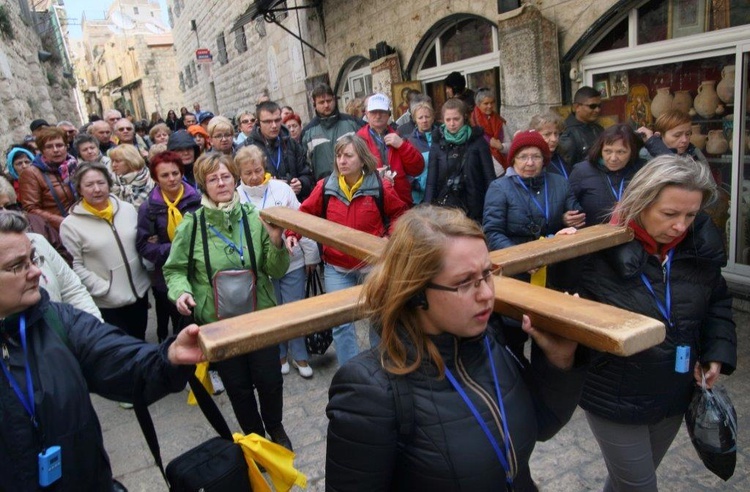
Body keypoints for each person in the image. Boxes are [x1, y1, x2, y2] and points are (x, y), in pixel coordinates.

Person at [326, 205, 585, 491]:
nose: (487, 294)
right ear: (416, 292)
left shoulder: (489, 339)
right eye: (464, 283)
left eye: (487, 274)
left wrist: (560, 360)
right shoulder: (370, 390)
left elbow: (540, 426)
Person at [0, 211, 204, 491]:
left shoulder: (58, 321)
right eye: (16, 266)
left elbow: (120, 360)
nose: (36, 272)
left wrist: (168, 357)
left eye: (33, 259)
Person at [577, 155, 736, 491]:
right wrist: (559, 249)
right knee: (639, 486)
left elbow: (717, 302)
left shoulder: (699, 249)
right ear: (641, 203)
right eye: (670, 214)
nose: (681, 225)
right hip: (615, 396)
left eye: (690, 215)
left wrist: (715, 352)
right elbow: (560, 309)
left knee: (627, 482)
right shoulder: (595, 249)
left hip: (673, 393)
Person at [163, 152, 293, 449]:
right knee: (238, 387)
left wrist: (276, 241)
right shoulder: (191, 225)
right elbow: (174, 269)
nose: (221, 183)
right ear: (203, 185)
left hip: (259, 318)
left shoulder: (254, 217)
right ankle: (255, 437)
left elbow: (276, 269)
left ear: (234, 178)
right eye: (213, 178)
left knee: (270, 381)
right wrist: (181, 292)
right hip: (218, 324)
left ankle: (275, 425)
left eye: (225, 176)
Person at [287, 134, 407, 366]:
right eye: (339, 155)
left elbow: (399, 215)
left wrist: (389, 237)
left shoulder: (380, 186)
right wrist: (293, 234)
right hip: (337, 267)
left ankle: (378, 369)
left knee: (378, 319)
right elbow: (305, 214)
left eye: (348, 155)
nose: (342, 160)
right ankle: (351, 373)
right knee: (342, 325)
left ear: (362, 160)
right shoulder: (325, 187)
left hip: (373, 265)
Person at [235, 146, 320, 378]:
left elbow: (300, 220)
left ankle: (300, 355)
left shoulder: (281, 189)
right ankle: (279, 354)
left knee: (294, 309)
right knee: (272, 311)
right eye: (248, 173)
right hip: (261, 268)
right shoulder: (236, 198)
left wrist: (311, 254)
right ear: (239, 174)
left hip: (292, 260)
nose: (254, 177)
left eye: (258, 170)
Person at [60, 162, 151, 341]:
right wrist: (102, 288)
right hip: (108, 302)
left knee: (140, 339)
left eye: (101, 183)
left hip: (139, 293)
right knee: (121, 349)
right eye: (89, 185)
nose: (97, 189)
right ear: (79, 189)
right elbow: (74, 265)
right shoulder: (70, 225)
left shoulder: (126, 209)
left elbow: (140, 242)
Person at [136, 151, 202, 343]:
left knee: (199, 319)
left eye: (175, 173)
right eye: (165, 175)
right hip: (165, 275)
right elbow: (143, 245)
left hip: (198, 269)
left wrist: (163, 244)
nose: (172, 179)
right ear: (155, 178)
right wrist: (174, 249)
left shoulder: (196, 201)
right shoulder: (149, 208)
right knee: (177, 322)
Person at [423, 98, 496, 223]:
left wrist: (493, 208)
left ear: (464, 117)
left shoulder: (478, 141)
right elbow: (431, 181)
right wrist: (427, 211)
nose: (452, 124)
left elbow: (489, 178)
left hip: (475, 206)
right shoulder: (437, 143)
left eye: (456, 119)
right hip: (446, 207)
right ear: (442, 120)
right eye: (448, 120)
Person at [568, 123, 646, 227]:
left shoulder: (642, 170)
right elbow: (567, 204)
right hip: (594, 238)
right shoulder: (582, 171)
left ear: (632, 152)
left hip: (634, 236)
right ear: (600, 150)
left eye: (621, 152)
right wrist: (566, 217)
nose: (613, 158)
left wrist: (652, 142)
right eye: (607, 151)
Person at [357, 93, 424, 206]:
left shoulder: (400, 135)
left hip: (400, 199)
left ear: (388, 115)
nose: (378, 116)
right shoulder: (358, 140)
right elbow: (352, 173)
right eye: (374, 112)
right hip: (372, 201)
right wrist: (377, 176)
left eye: (382, 112)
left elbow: (417, 168)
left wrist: (402, 146)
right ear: (367, 114)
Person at [245, 101, 314, 200]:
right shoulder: (248, 148)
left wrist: (301, 183)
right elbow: (244, 185)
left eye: (277, 120)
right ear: (258, 123)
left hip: (293, 203)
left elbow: (307, 175)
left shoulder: (291, 144)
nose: (274, 125)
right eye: (268, 121)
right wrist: (268, 185)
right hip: (265, 207)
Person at [19, 127, 78, 231]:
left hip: (80, 223)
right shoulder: (31, 173)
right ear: (42, 151)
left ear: (66, 146)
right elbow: (31, 209)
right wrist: (64, 222)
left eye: (59, 145)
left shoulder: (74, 167)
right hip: (56, 230)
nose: (55, 150)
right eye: (49, 147)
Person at [301, 84, 364, 181]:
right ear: (314, 105)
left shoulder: (353, 124)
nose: (326, 105)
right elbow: (305, 165)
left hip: (354, 183)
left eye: (329, 101)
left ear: (334, 100)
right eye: (321, 102)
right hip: (325, 187)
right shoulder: (307, 133)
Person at [558, 86, 604, 166]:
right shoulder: (566, 133)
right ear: (577, 107)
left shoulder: (598, 129)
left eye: (599, 106)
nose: (597, 110)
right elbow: (567, 168)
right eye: (592, 106)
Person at [404, 100, 437, 204]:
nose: (424, 120)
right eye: (420, 117)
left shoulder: (442, 137)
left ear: (433, 118)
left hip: (439, 192)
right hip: (419, 196)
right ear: (415, 120)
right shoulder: (409, 142)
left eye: (427, 117)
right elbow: (404, 168)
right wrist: (414, 183)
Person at [471, 88, 509, 176]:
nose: (490, 106)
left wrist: (501, 147)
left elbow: (510, 145)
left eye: (492, 103)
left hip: (502, 169)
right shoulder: (471, 123)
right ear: (478, 104)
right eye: (486, 103)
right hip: (482, 170)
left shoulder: (499, 121)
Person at [109, 144, 155, 208]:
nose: (113, 165)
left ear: (130, 161)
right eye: (112, 161)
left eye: (117, 161)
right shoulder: (112, 181)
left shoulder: (152, 180)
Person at [529, 112, 570, 180]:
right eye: (547, 134)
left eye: (556, 133)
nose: (554, 139)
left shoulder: (562, 155)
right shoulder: (531, 162)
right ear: (534, 135)